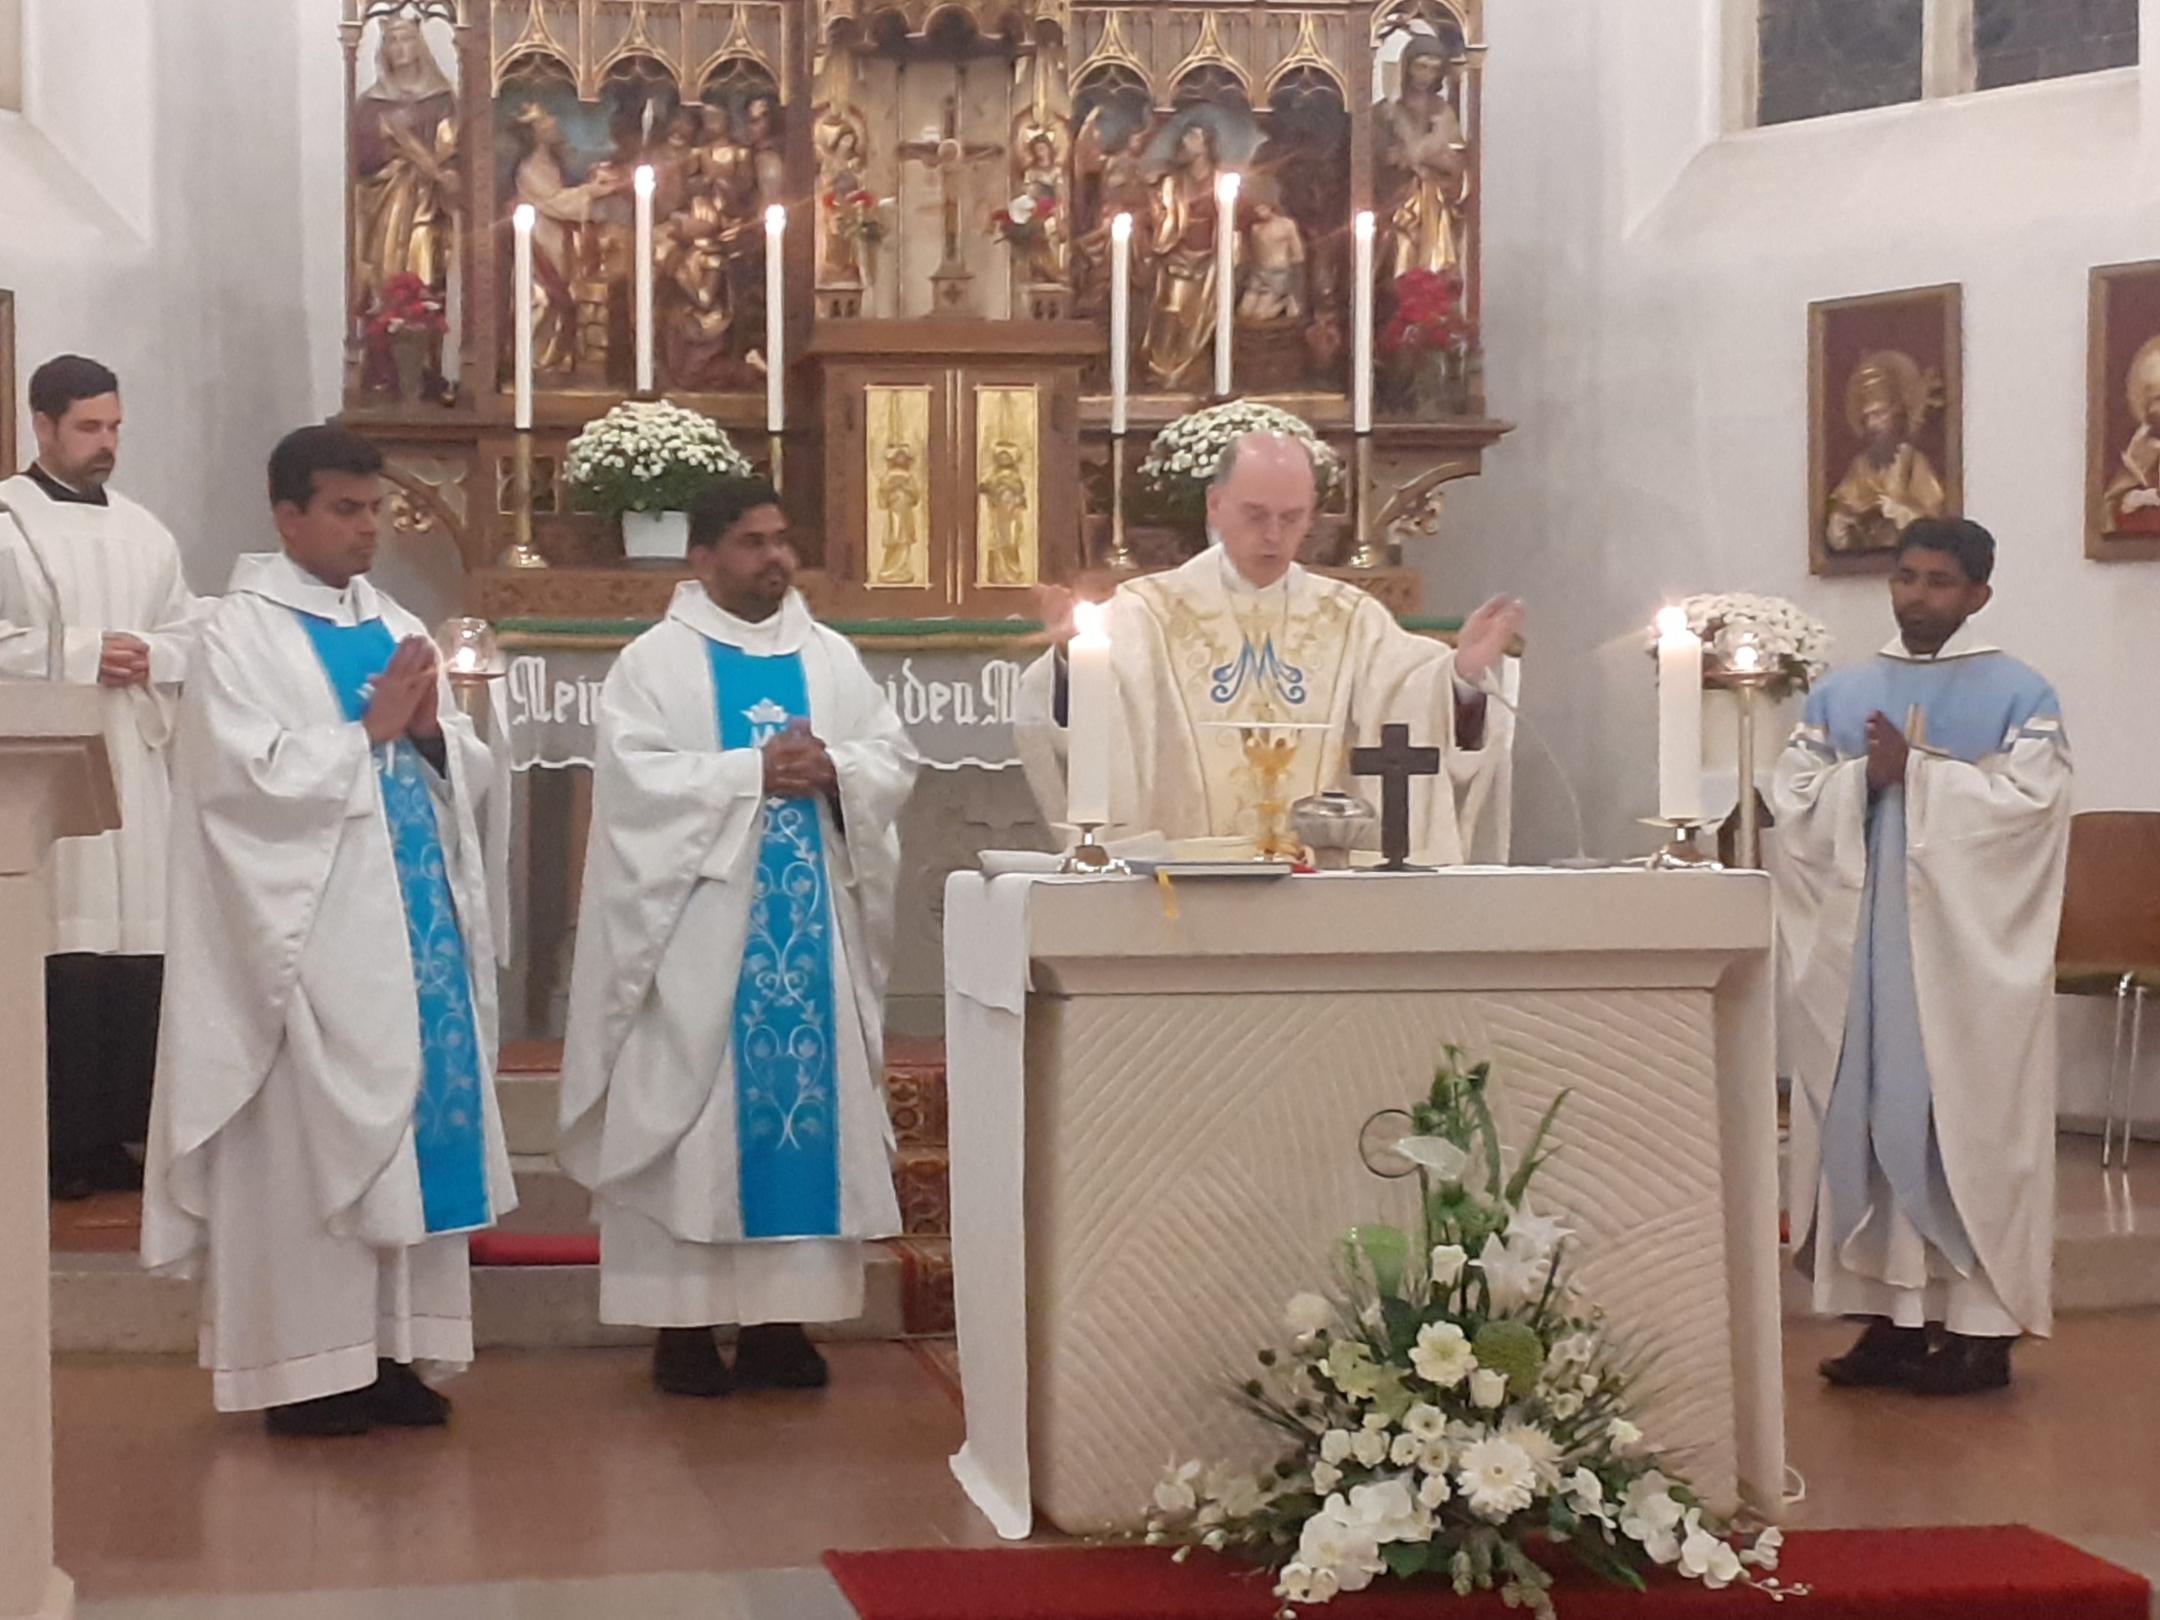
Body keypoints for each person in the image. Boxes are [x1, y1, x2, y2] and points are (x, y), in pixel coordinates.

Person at [141, 426, 514, 1436]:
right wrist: (367, 737)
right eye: (347, 509)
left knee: (403, 1144)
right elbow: (234, 785)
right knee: (306, 1152)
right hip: (305, 944)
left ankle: (386, 1352)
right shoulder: (238, 633)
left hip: (407, 934)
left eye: (376, 508)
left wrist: (435, 736)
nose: (369, 529)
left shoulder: (393, 619)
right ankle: (302, 1370)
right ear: (288, 514)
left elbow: (461, 762)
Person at [559, 476, 918, 1398]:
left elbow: (890, 754)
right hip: (695, 934)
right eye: (754, 543)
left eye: (782, 540)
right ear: (703, 556)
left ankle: (779, 1326)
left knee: (795, 1116)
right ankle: (679, 1332)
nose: (776, 560)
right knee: (694, 1117)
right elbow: (635, 787)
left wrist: (835, 766)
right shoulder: (655, 663)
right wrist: (746, 773)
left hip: (807, 929)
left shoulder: (829, 657)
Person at [1772, 517, 2071, 1396]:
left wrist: (1924, 777)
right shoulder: (1844, 690)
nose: (1917, 596)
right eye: (1905, 577)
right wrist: (1862, 778)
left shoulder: (2021, 691)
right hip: (1864, 953)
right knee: (1864, 1119)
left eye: (1939, 582)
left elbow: (2035, 809)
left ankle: (1981, 1327)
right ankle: (1890, 1321)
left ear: (1978, 594)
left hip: (1961, 960)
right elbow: (1791, 797)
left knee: (1963, 1127)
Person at [1015, 429, 1521, 864]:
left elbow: (1409, 692)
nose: (1274, 536)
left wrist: (1460, 678)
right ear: (1216, 505)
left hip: (1321, 885)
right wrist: (1068, 660)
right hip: (1184, 890)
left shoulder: (1351, 618)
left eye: (1292, 517)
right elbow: (1083, 690)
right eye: (1256, 515)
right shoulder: (1145, 611)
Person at [0, 355, 209, 1201]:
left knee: (135, 946)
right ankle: (51, 1140)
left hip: (134, 760)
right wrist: (85, 652)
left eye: (115, 427)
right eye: (89, 428)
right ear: (42, 426)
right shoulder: (6, 525)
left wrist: (152, 653)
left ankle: (119, 1132)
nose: (106, 444)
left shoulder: (146, 531)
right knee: (63, 948)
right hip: (41, 777)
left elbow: (193, 635)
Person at [1824, 353, 1947, 556]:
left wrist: (1896, 511)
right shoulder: (1861, 466)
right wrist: (1842, 523)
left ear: (1897, 414)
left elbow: (1934, 520)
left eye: (1879, 414)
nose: (1872, 425)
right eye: (1867, 417)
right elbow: (1844, 506)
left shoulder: (1912, 462)